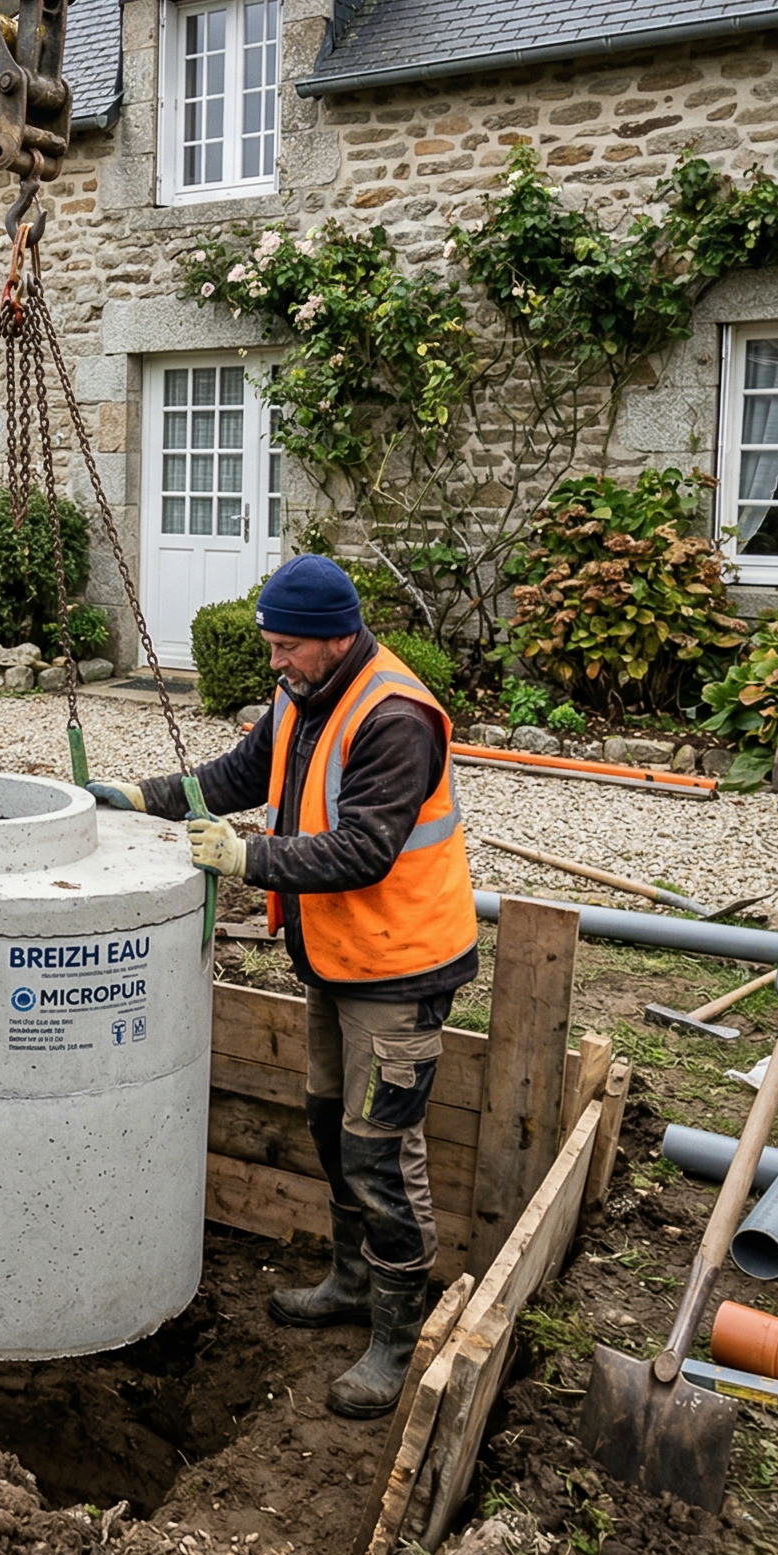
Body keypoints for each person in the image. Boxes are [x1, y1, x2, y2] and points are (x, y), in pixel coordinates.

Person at [90, 554, 476, 1419]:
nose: (273, 663)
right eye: (270, 647)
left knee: (381, 1150)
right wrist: (137, 796)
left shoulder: (396, 717)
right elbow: (233, 777)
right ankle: (347, 1280)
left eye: (284, 648)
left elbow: (363, 849)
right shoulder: (304, 696)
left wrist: (247, 856)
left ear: (334, 638)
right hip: (336, 960)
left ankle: (395, 1337)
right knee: (329, 1126)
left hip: (399, 971)